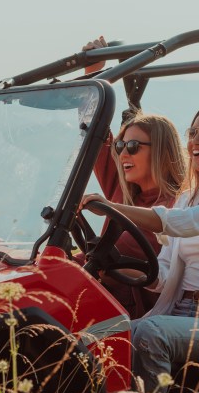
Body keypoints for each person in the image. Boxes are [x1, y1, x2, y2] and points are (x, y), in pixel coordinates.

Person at [81, 104, 199, 390]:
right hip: (178, 310)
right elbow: (164, 275)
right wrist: (114, 266)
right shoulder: (188, 198)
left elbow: (180, 223)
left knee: (149, 332)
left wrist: (110, 208)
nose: (195, 140)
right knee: (91, 338)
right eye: (192, 132)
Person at [80, 37, 187, 318]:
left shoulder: (179, 207)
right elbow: (94, 135)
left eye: (133, 147)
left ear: (162, 153)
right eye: (120, 145)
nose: (123, 154)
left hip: (133, 314)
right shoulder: (123, 190)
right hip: (97, 296)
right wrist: (93, 72)